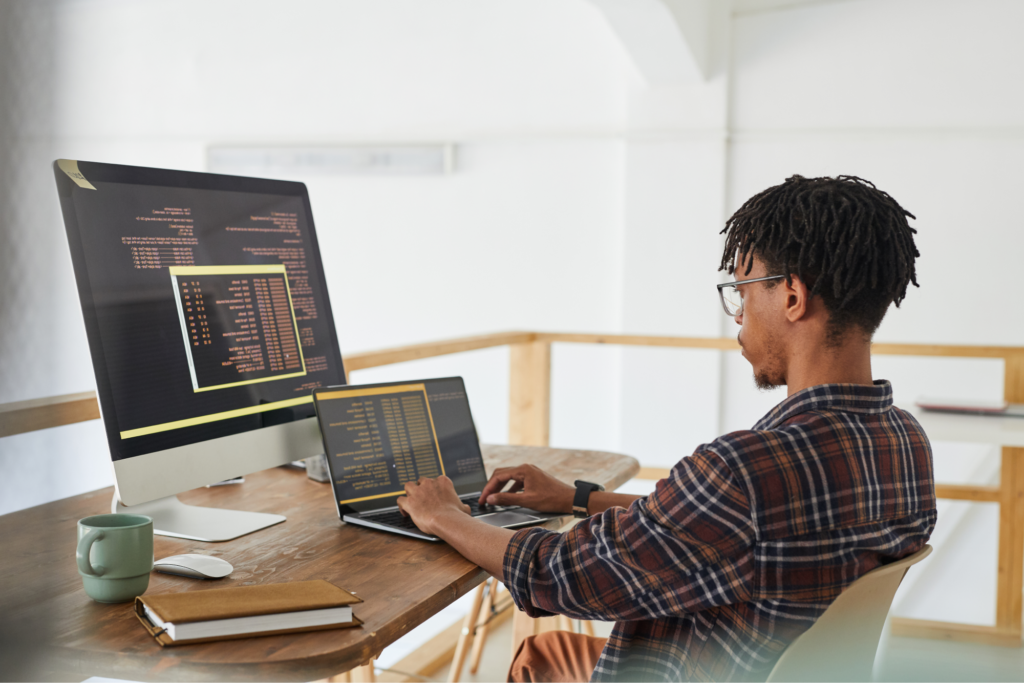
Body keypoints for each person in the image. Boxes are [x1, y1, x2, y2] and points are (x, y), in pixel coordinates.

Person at [397, 175, 937, 683]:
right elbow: (716, 530)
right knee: (547, 655)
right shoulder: (906, 442)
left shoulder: (745, 469)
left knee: (539, 656)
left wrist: (443, 515)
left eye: (743, 292)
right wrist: (578, 497)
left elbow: (560, 574)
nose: (739, 316)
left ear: (792, 297)